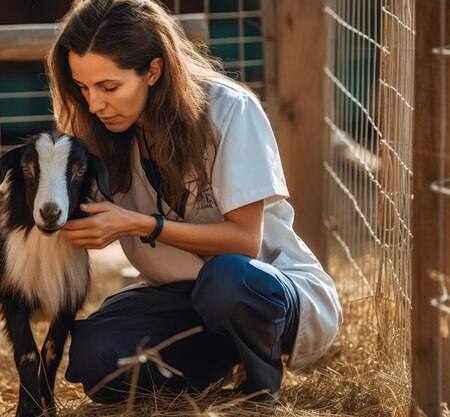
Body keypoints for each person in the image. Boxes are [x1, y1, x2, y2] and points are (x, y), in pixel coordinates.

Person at [46, 0, 342, 403]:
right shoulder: (97, 130)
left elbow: (244, 242)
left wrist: (140, 224)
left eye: (109, 87)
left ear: (153, 71)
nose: (94, 104)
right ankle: (216, 366)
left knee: (225, 282)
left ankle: (260, 391)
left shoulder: (229, 109)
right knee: (95, 355)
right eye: (83, 87)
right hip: (182, 300)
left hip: (262, 290)